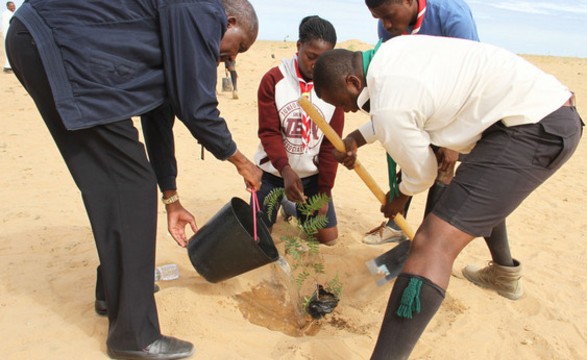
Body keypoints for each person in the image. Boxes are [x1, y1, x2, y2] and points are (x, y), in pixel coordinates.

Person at [6, 0, 261, 359]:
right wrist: (241, 161)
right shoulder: (202, 8)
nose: (234, 59)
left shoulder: (177, 28)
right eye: (240, 46)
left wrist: (171, 198)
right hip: (61, 47)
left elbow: (160, 115)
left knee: (120, 184)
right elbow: (197, 107)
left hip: (46, 42)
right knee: (129, 186)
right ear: (229, 20)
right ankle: (134, 336)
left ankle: (111, 295)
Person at [313, 35, 582, 359]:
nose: (347, 109)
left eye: (342, 102)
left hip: (533, 130)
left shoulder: (390, 105)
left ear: (353, 81)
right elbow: (400, 109)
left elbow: (422, 173)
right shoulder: (391, 54)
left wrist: (399, 196)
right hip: (540, 112)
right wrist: (359, 135)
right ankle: (504, 274)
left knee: (431, 243)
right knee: (476, 195)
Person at [363, 0, 480, 245]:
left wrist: (453, 145)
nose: (385, 24)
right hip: (422, 104)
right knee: (409, 157)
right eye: (378, 18)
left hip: (461, 105)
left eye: (388, 16)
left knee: (444, 171)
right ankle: (397, 226)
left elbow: (472, 77)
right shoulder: (388, 26)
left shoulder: (453, 18)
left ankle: (428, 240)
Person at [254, 15, 343, 245]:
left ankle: (292, 208)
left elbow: (330, 146)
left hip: (311, 177)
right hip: (273, 173)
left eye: (323, 59)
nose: (317, 65)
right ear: (298, 46)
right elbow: (269, 133)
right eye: (311, 57)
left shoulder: (334, 88)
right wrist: (285, 170)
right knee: (259, 237)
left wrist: (324, 192)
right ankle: (284, 200)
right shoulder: (274, 80)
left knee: (327, 239)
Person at [1, 1, 15, 72]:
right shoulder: (6, 14)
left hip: (10, 35)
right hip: (8, 35)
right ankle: (8, 67)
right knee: (9, 50)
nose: (13, 7)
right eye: (11, 6)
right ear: (7, 6)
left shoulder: (10, 14)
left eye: (14, 6)